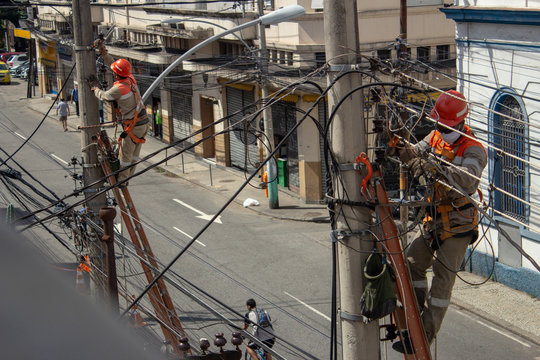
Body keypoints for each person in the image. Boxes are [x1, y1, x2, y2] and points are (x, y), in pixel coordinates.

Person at [393, 90, 487, 354]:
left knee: (443, 282)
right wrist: (400, 147)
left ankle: (425, 333)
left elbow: (467, 180)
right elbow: (415, 153)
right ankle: (414, 316)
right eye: (438, 124)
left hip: (458, 223)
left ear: (459, 123)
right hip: (434, 218)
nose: (440, 129)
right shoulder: (435, 136)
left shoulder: (474, 150)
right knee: (412, 263)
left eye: (444, 125)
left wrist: (435, 167)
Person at [91, 41, 149, 188]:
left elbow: (104, 96)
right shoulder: (130, 79)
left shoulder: (118, 89)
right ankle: (127, 178)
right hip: (143, 123)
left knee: (126, 157)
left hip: (132, 126)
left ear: (117, 75)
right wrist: (103, 53)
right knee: (134, 156)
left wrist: (95, 89)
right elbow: (115, 66)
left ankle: (122, 181)